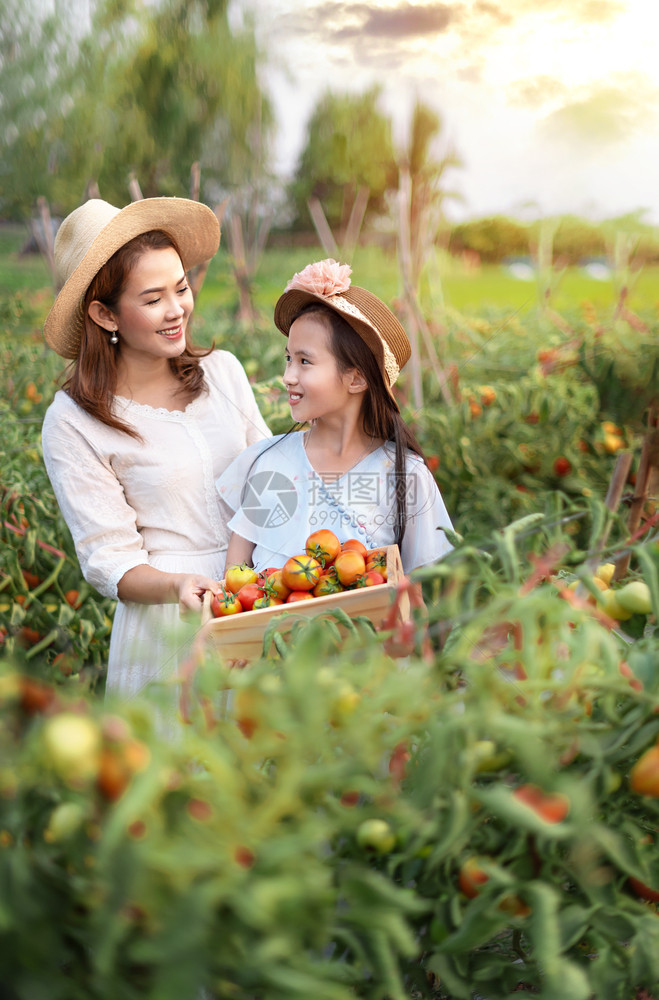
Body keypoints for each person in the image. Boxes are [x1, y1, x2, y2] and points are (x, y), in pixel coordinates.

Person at [41, 197, 271, 707]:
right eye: (152, 299)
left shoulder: (223, 373)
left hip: (257, 598)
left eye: (182, 287)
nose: (177, 310)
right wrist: (177, 586)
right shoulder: (74, 422)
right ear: (104, 314)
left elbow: (271, 481)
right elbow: (111, 560)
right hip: (171, 621)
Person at [216, 258, 452, 575]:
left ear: (356, 379)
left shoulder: (404, 476)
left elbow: (422, 591)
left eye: (304, 361)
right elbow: (235, 577)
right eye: (288, 358)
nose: (288, 376)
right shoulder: (271, 463)